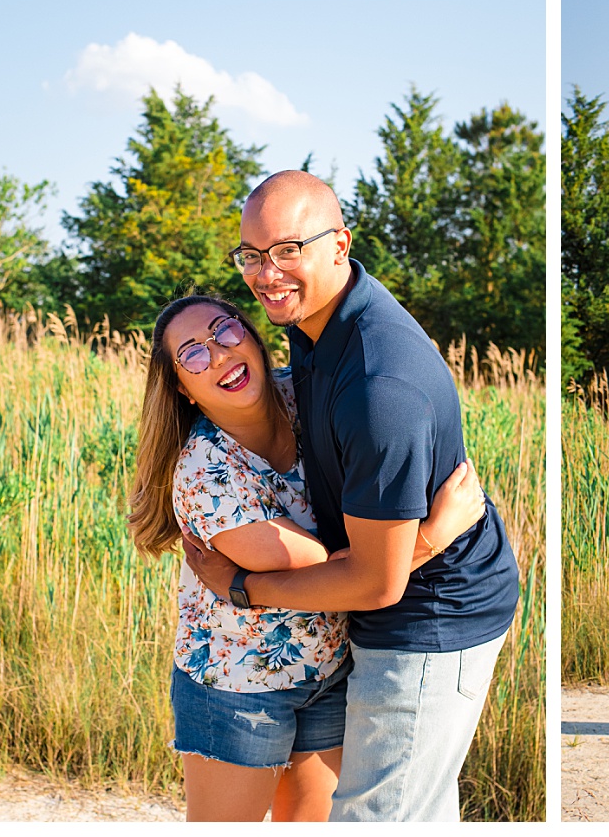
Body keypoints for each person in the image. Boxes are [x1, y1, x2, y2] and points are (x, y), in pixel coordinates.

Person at [182, 170, 520, 821]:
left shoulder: (376, 384)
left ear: (339, 244)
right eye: (251, 255)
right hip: (393, 600)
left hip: (430, 618)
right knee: (412, 809)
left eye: (287, 249)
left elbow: (377, 582)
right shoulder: (314, 322)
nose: (266, 272)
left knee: (375, 819)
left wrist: (243, 588)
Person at [128, 295, 485, 821]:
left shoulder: (305, 397)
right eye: (194, 355)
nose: (219, 355)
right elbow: (345, 565)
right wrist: (433, 534)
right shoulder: (207, 475)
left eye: (224, 332)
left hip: (328, 671)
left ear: (250, 335)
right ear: (182, 386)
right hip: (239, 687)